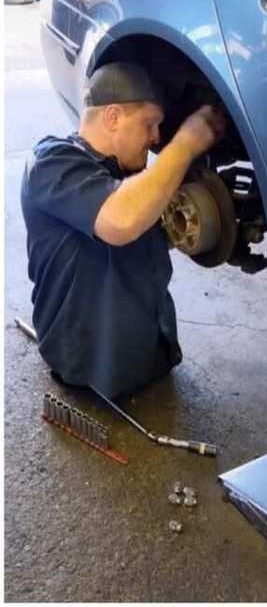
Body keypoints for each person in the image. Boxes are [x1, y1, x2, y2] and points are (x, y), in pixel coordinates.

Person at [22, 62, 227, 399]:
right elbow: (120, 222)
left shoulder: (134, 180)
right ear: (113, 117)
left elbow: (151, 224)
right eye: (150, 123)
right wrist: (185, 145)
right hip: (86, 366)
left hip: (152, 356)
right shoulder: (51, 162)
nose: (157, 138)